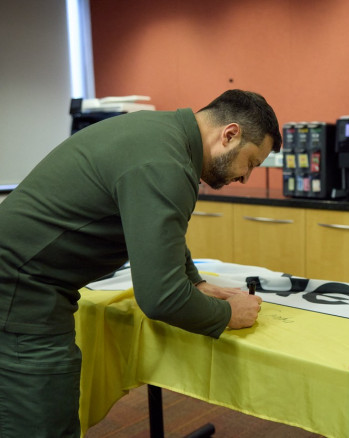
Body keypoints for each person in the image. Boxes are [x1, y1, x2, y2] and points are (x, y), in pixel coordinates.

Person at [0, 89, 282, 437]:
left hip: (23, 280)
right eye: (251, 163)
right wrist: (229, 315)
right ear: (230, 134)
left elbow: (157, 228)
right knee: (42, 421)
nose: (246, 178)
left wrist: (193, 281)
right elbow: (160, 297)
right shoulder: (166, 163)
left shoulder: (162, 136)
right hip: (19, 292)